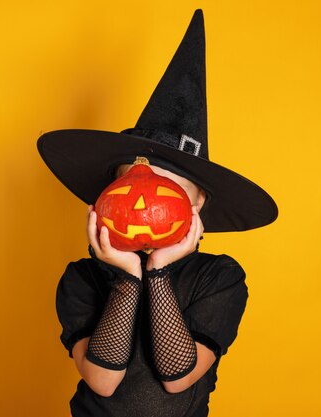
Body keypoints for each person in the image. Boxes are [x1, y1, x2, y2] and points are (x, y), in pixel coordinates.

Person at [37, 9, 278, 417]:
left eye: (166, 185)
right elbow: (102, 381)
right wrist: (128, 277)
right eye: (129, 183)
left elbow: (177, 377)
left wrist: (159, 271)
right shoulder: (82, 277)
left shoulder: (219, 277)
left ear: (198, 201)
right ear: (107, 195)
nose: (142, 200)